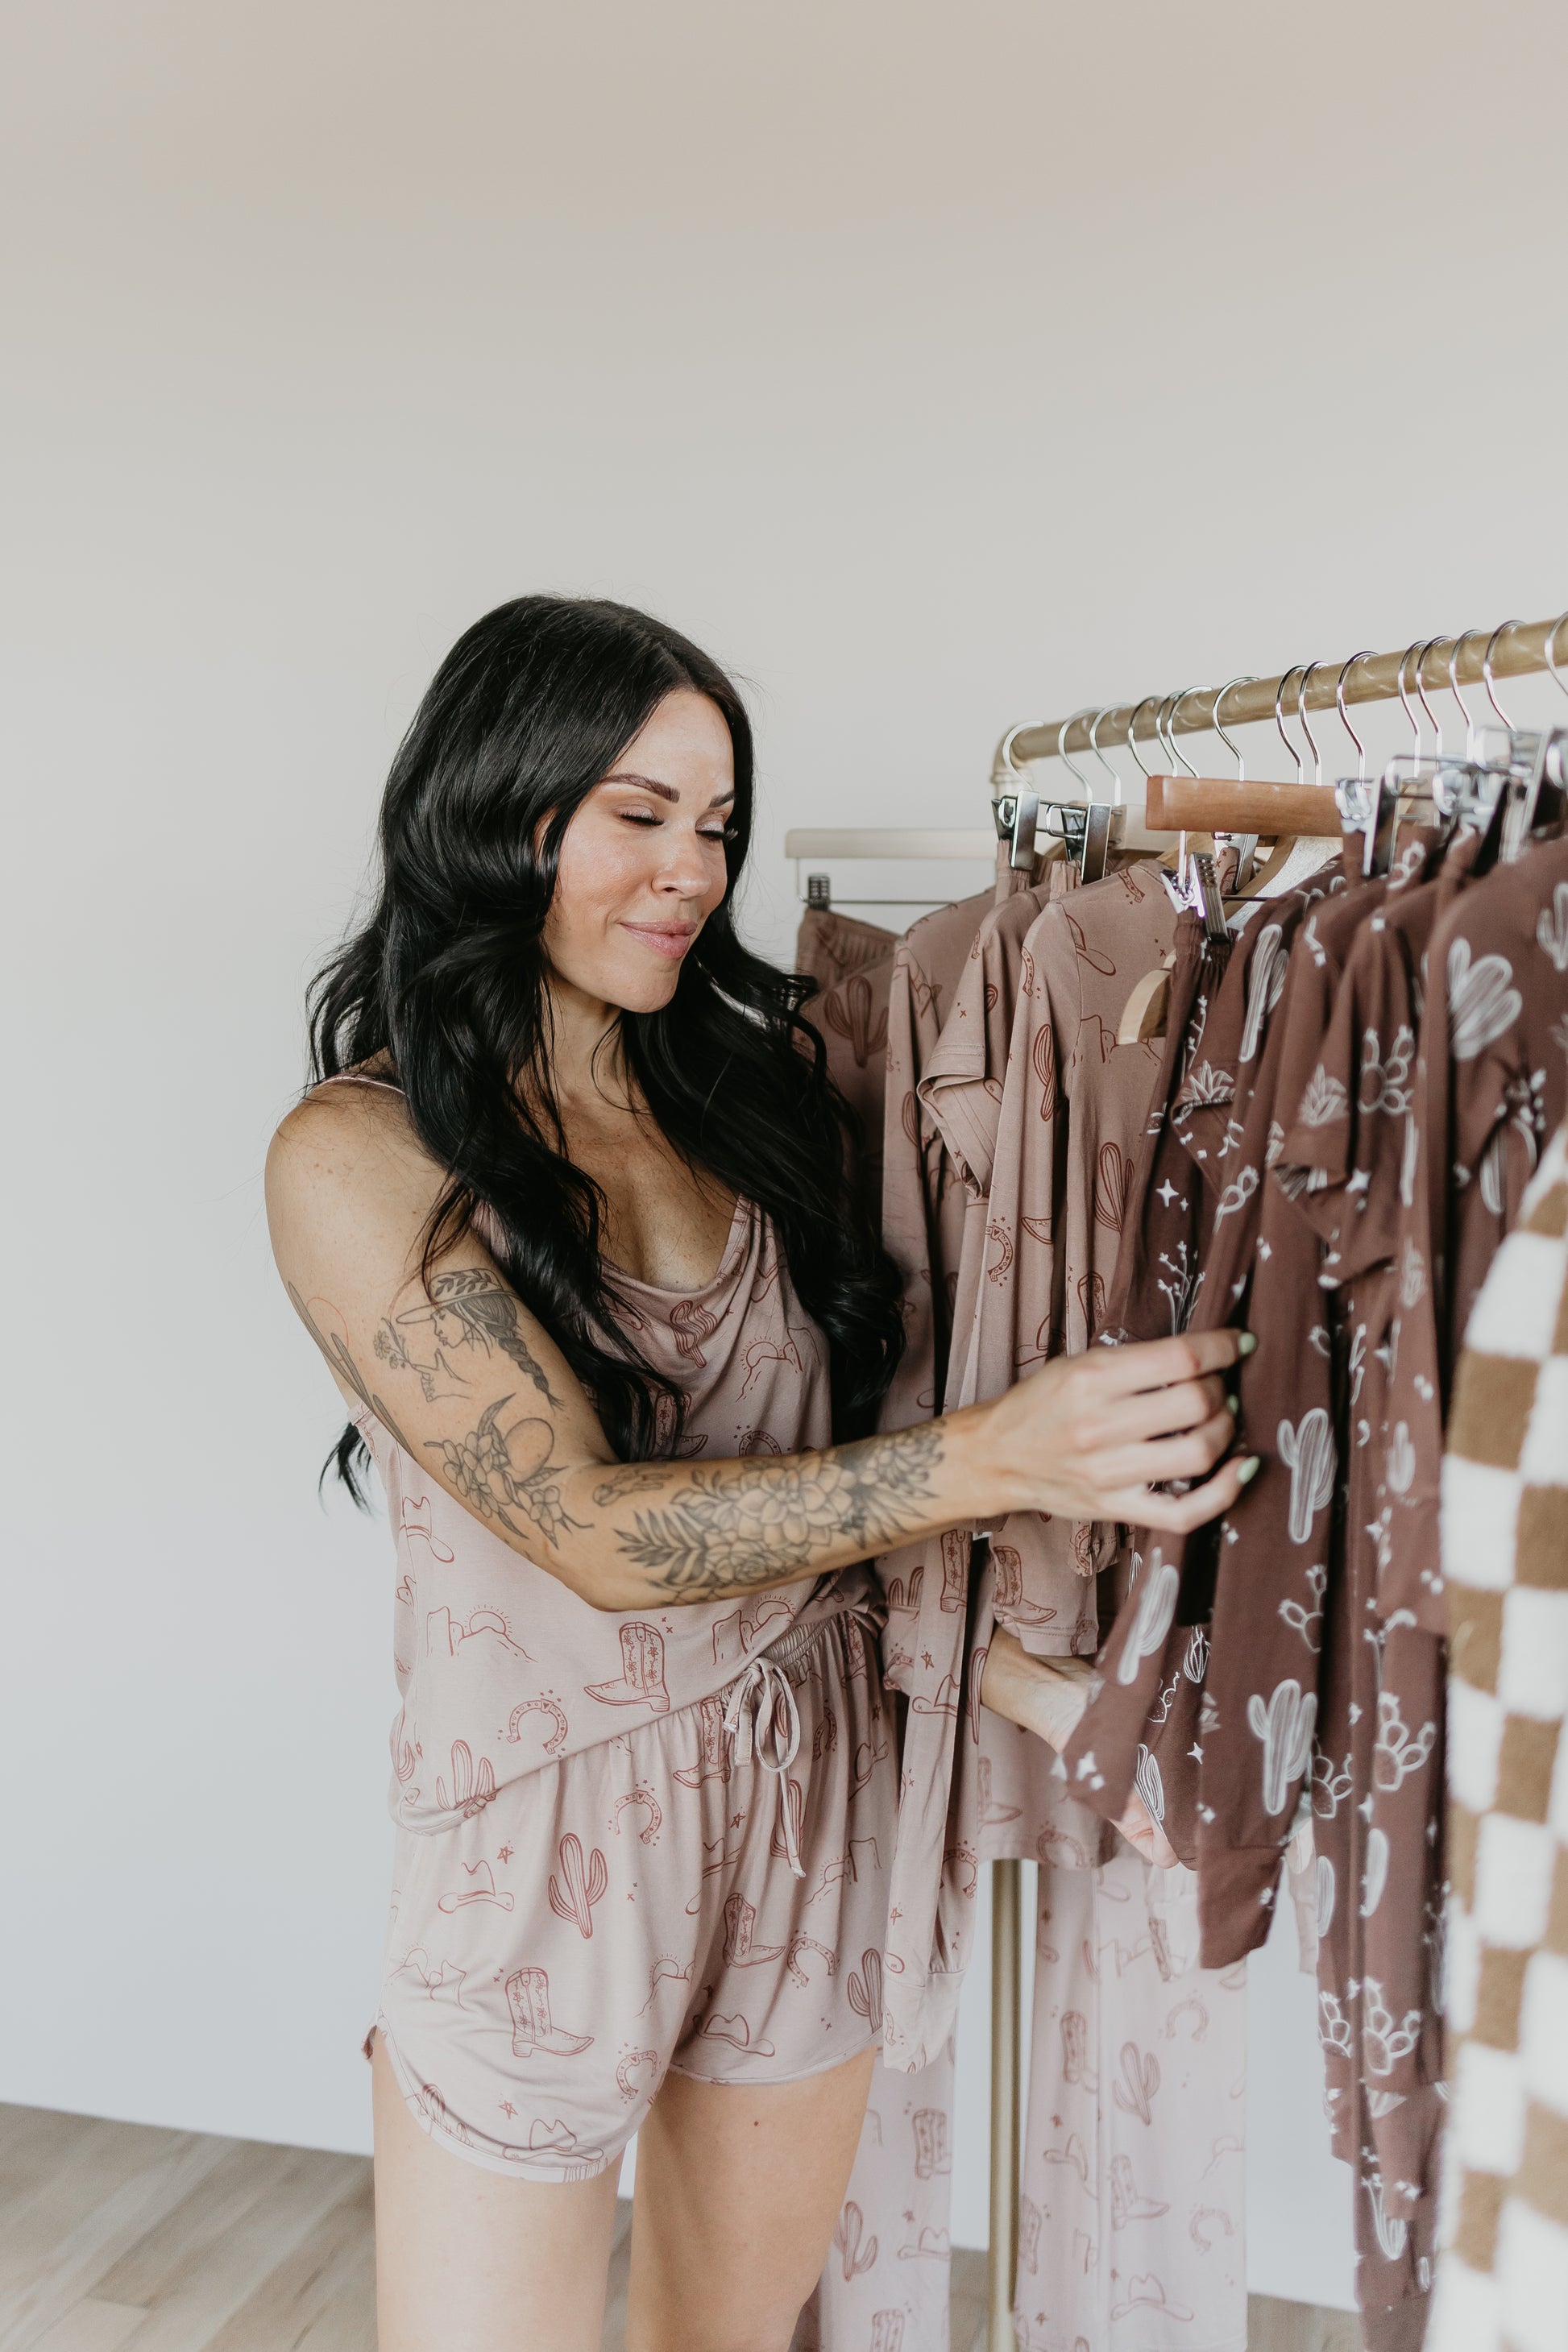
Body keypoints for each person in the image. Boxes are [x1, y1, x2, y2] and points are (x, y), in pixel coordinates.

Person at [265, 595, 1253, 2352]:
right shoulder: (362, 1151)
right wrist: (989, 1456)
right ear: (495, 808)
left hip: (815, 1800)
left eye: (714, 823)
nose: (690, 871)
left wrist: (1048, 1684)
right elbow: (588, 1530)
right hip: (546, 1837)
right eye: (638, 813)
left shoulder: (761, 1087)